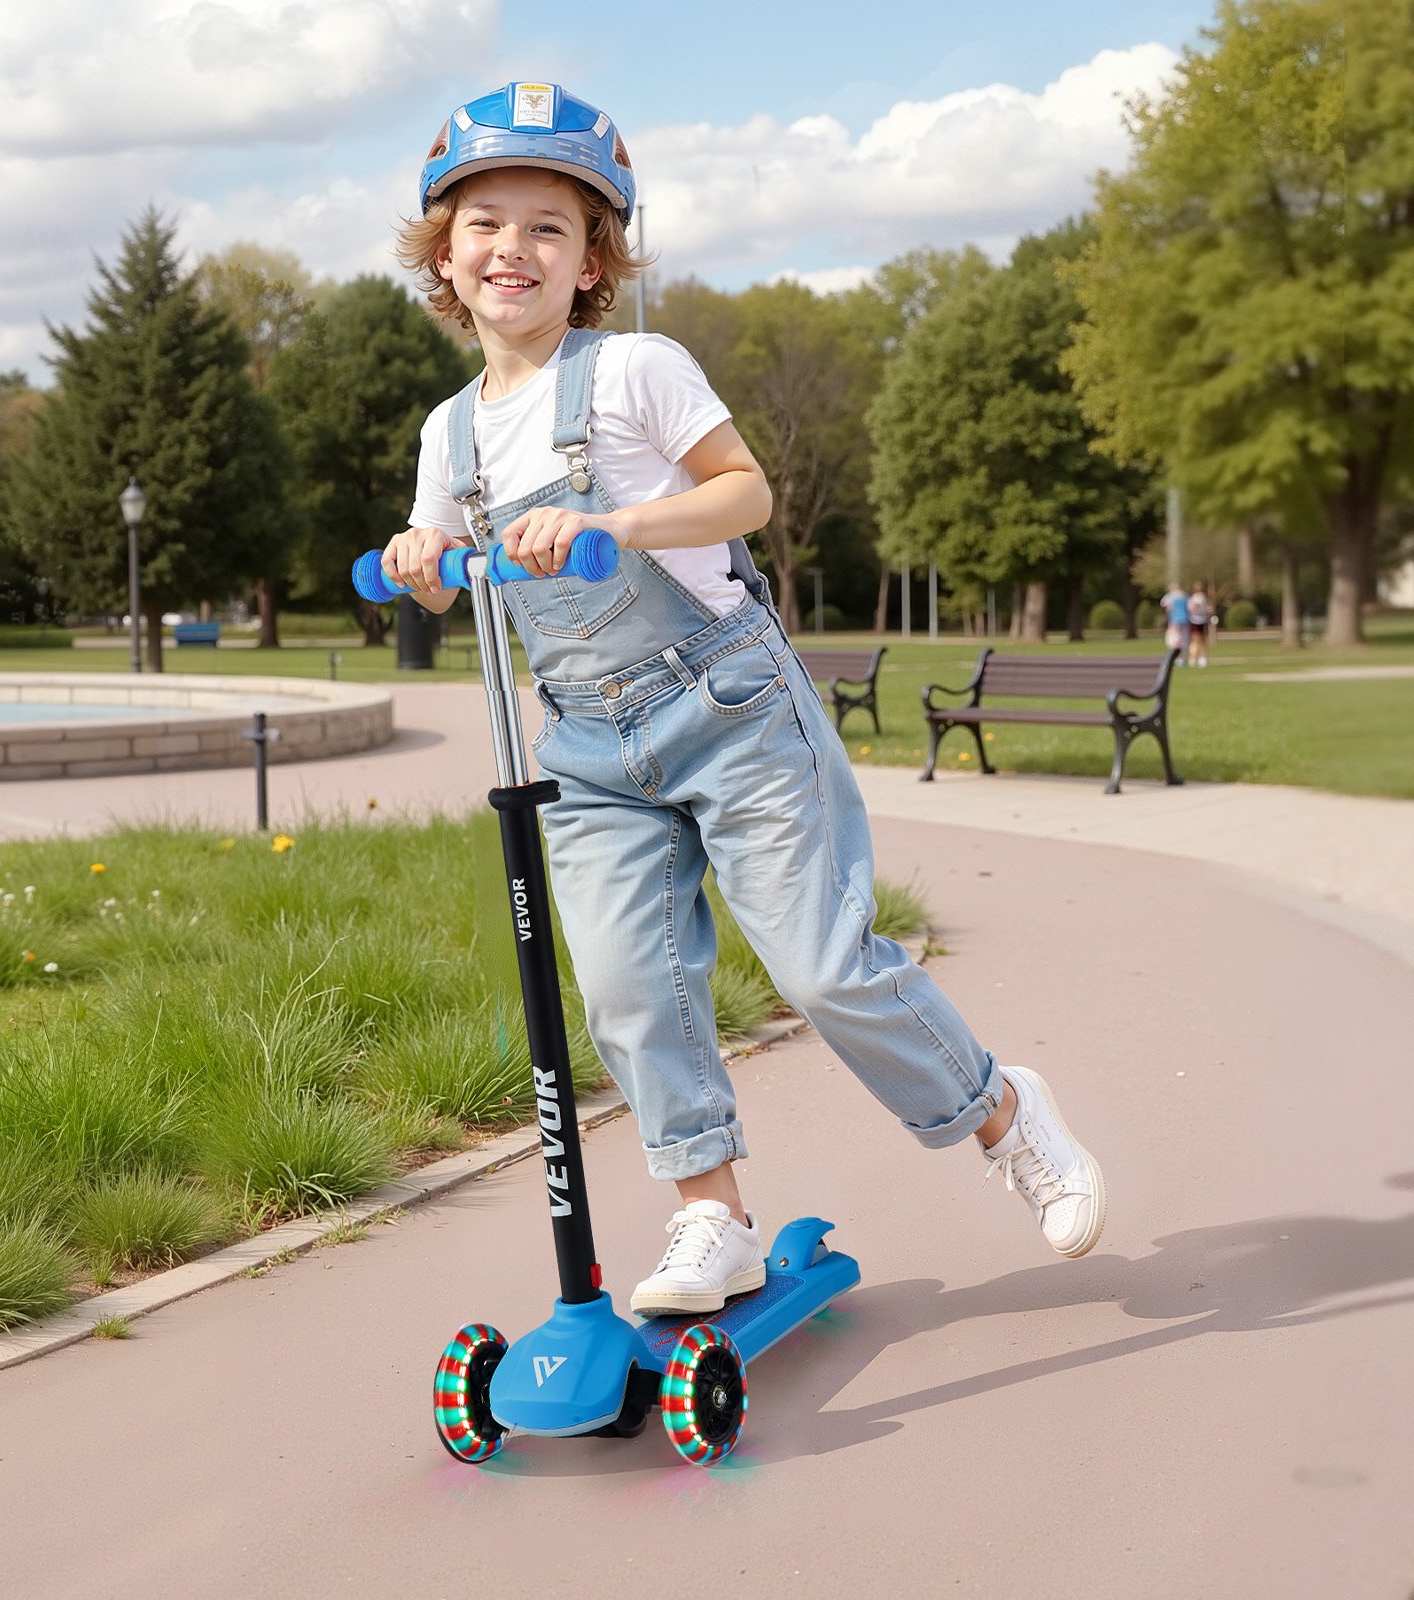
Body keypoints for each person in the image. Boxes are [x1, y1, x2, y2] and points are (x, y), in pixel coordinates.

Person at [382, 83, 1105, 1317]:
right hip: (588, 743)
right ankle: (711, 1216)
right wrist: (415, 556)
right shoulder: (448, 436)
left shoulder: (635, 370)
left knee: (822, 967)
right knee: (627, 989)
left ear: (593, 259)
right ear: (443, 255)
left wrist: (612, 521)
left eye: (550, 227)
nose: (516, 249)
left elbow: (742, 495)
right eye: (485, 223)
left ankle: (997, 1109)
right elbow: (444, 577)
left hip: (726, 706)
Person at [1161, 580, 1190, 661]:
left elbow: (1164, 605)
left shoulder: (1171, 596)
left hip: (1175, 620)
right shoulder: (1185, 596)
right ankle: (1183, 656)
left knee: (1175, 639)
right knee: (1183, 639)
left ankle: (1178, 657)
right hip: (1185, 620)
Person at [1186, 580, 1212, 667]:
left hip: (1203, 620)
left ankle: (1201, 657)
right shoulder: (1194, 598)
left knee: (1202, 640)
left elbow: (1209, 609)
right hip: (1195, 621)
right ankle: (1194, 658)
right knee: (1196, 639)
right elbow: (1192, 609)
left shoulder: (1204, 598)